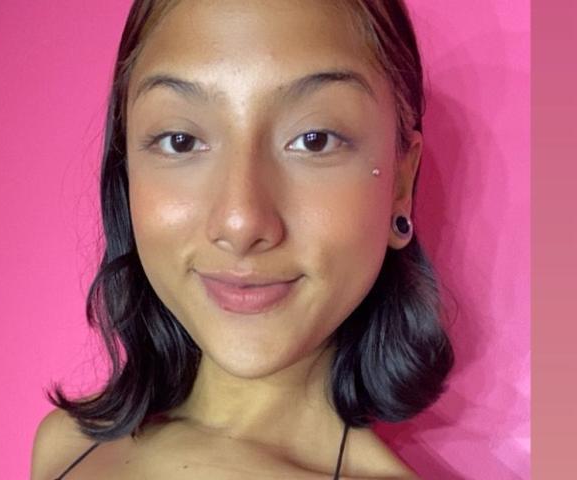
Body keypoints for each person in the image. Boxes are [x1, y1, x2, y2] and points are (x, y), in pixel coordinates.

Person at [31, 0, 454, 478]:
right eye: (180, 140)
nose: (241, 222)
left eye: (315, 139)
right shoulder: (66, 444)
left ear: (400, 182)